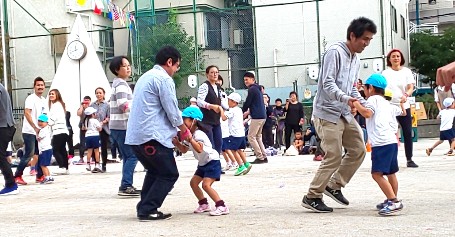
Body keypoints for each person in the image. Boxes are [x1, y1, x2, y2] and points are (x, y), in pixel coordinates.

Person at [301, 17, 376, 213]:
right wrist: (347, 99)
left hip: (344, 112)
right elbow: (327, 83)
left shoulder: (356, 59)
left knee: (359, 149)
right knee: (333, 154)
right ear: (353, 35)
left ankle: (334, 185)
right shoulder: (334, 52)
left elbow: (352, 88)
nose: (367, 43)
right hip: (326, 113)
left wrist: (365, 104)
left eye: (369, 40)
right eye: (365, 39)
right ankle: (312, 196)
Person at [125, 46, 192, 221]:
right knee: (169, 173)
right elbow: (172, 109)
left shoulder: (145, 77)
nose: (176, 71)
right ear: (169, 62)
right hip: (152, 136)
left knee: (155, 171)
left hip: (137, 136)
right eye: (177, 66)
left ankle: (144, 207)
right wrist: (184, 131)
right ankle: (148, 209)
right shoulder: (163, 79)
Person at [352, 73, 405, 215]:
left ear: (371, 88)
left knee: (376, 174)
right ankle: (392, 198)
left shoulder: (373, 100)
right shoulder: (385, 102)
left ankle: (393, 201)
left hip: (381, 143)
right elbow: (402, 112)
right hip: (391, 142)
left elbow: (367, 113)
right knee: (391, 172)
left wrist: (355, 103)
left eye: (365, 88)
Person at [173, 107, 229, 216]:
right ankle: (204, 204)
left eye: (185, 121)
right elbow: (184, 150)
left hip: (212, 161)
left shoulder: (199, 134)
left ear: (194, 121)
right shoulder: (190, 135)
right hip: (203, 163)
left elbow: (199, 148)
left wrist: (190, 139)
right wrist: (177, 143)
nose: (182, 125)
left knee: (206, 185)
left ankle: (221, 205)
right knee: (193, 183)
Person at [109, 56, 140, 196]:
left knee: (128, 156)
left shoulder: (118, 83)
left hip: (117, 126)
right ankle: (126, 186)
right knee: (132, 156)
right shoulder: (121, 84)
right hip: (122, 126)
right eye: (124, 66)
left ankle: (126, 184)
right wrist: (136, 112)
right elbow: (123, 105)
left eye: (129, 65)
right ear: (117, 69)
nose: (128, 68)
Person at [382, 49, 418, 168]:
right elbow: (382, 88)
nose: (396, 58)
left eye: (398, 56)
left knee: (407, 132)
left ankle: (409, 159)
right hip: (390, 106)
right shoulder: (385, 73)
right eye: (393, 56)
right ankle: (389, 159)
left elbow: (410, 86)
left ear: (401, 58)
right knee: (390, 133)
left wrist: (406, 95)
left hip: (404, 105)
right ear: (389, 59)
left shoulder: (407, 71)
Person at [14, 77, 48, 185]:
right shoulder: (30, 98)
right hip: (29, 131)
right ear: (34, 87)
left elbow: (44, 116)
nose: (40, 87)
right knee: (29, 153)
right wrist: (34, 127)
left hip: (39, 132)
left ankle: (39, 176)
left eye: (42, 85)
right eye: (38, 85)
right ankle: (17, 176)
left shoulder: (43, 100)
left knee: (39, 153)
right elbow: (27, 113)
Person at [220, 93, 252, 176]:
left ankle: (240, 166)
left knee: (233, 150)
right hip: (241, 133)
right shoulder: (239, 109)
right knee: (239, 149)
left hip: (234, 134)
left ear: (233, 102)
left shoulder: (232, 111)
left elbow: (224, 118)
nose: (227, 102)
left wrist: (220, 110)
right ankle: (246, 163)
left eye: (229, 100)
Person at [197, 65, 225, 155]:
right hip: (206, 120)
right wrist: (211, 106)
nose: (215, 74)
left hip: (216, 120)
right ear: (207, 74)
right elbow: (199, 101)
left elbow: (222, 102)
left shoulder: (218, 87)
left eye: (216, 72)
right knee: (210, 145)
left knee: (219, 143)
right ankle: (210, 166)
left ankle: (216, 165)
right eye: (212, 72)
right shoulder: (205, 86)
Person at [242, 72, 268, 164]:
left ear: (253, 79)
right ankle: (264, 156)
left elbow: (248, 102)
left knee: (251, 136)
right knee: (258, 136)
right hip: (262, 115)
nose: (245, 81)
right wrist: (248, 112)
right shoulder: (258, 89)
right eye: (244, 80)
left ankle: (260, 157)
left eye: (247, 79)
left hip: (257, 116)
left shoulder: (252, 89)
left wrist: (243, 110)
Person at [0, 83, 18, 195]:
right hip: (6, 126)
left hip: (3, 127)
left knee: (0, 156)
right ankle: (10, 183)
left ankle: (11, 184)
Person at [47, 89, 69, 175]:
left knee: (55, 149)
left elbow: (53, 118)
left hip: (58, 131)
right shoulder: (60, 105)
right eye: (50, 94)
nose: (51, 95)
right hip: (63, 131)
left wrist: (47, 123)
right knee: (62, 150)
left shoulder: (56, 105)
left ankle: (62, 166)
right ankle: (65, 167)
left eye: (53, 94)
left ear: (57, 95)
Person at [90, 87, 110, 172]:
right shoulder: (92, 105)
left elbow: (109, 116)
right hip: (94, 129)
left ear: (103, 94)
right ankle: (96, 163)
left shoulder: (107, 105)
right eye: (97, 93)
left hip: (103, 128)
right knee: (94, 147)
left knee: (104, 147)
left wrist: (103, 122)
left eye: (100, 93)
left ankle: (104, 164)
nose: (98, 94)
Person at [83, 107, 103, 173]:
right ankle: (97, 164)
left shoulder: (85, 121)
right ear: (92, 114)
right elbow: (99, 129)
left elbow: (84, 128)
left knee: (89, 151)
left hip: (88, 136)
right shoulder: (95, 120)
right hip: (95, 136)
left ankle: (88, 164)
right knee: (96, 150)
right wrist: (101, 124)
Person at [36, 114, 54, 184]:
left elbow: (38, 138)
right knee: (45, 165)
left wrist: (37, 133)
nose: (40, 123)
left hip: (45, 149)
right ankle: (49, 176)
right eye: (39, 121)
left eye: (42, 122)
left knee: (43, 165)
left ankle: (47, 177)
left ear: (46, 123)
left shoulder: (43, 130)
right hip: (47, 149)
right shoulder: (48, 129)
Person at [76, 96, 91, 164]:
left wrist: (88, 107)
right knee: (82, 143)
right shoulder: (81, 109)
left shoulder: (91, 108)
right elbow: (78, 114)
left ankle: (93, 157)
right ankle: (81, 157)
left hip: (90, 128)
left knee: (92, 143)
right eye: (85, 101)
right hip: (82, 128)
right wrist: (82, 106)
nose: (86, 102)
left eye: (87, 101)